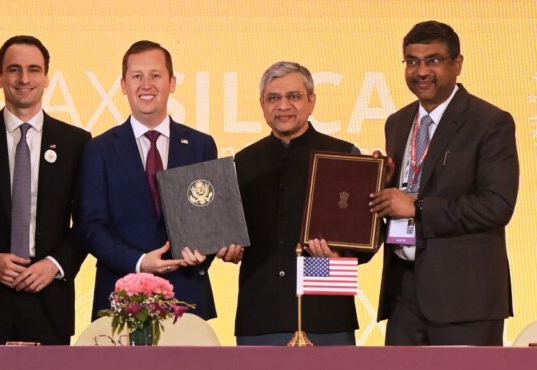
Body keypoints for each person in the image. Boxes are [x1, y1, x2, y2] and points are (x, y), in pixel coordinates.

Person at [369, 21, 518, 346]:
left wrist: (418, 208)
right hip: (404, 295)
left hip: (465, 299)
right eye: (412, 61)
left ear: (457, 64)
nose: (421, 71)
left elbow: (497, 206)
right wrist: (384, 180)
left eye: (433, 60)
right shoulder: (397, 122)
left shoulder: (490, 122)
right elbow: (406, 191)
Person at [78, 40, 240, 321]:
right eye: (136, 76)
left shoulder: (200, 145)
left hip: (187, 297)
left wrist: (205, 252)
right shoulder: (99, 149)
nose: (146, 85)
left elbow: (210, 221)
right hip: (121, 298)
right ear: (123, 85)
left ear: (172, 82)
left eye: (156, 75)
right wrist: (140, 262)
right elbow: (91, 228)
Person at [0, 36, 90, 345]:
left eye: (34, 69)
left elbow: (87, 221)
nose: (24, 78)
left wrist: (55, 265)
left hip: (49, 298)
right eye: (14, 69)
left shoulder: (76, 143)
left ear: (46, 78)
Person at [234, 61, 372, 346]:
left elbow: (365, 240)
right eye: (273, 98)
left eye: (294, 96)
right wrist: (227, 246)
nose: (283, 106)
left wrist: (337, 255)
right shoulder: (244, 161)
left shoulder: (343, 155)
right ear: (262, 105)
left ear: (311, 101)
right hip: (260, 315)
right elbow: (232, 234)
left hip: (326, 315)